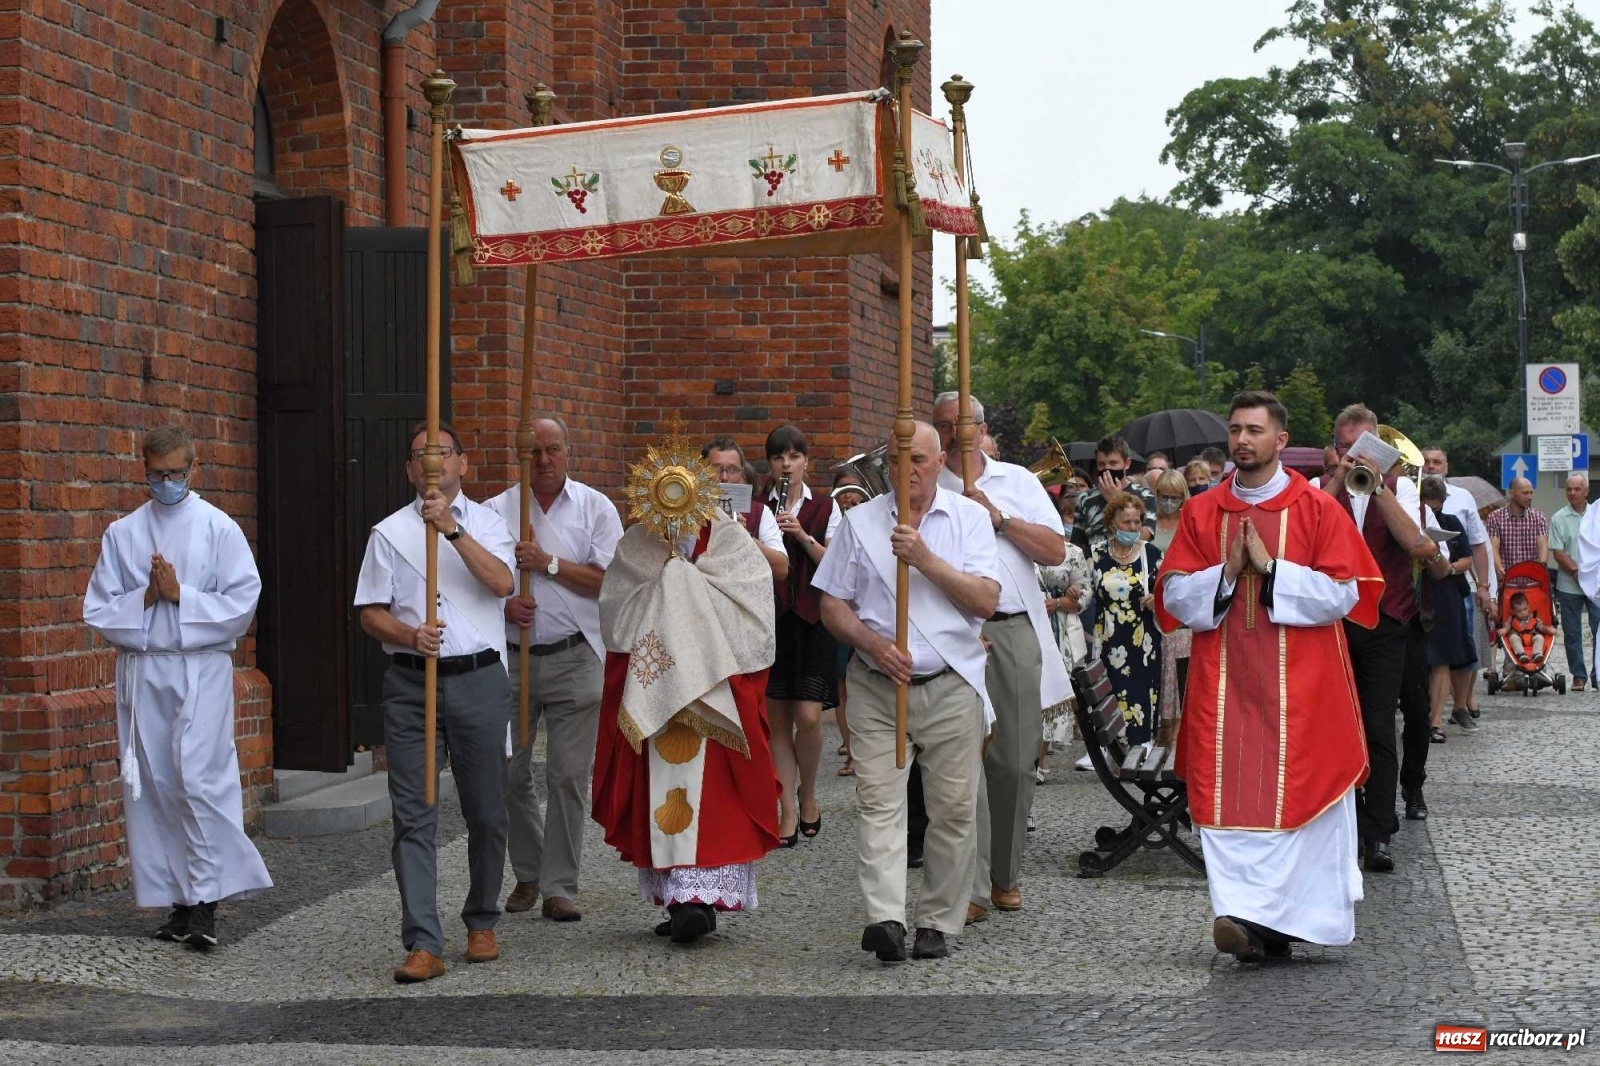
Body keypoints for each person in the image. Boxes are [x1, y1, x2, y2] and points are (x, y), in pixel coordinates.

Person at [1156, 391, 1381, 962]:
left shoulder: (1315, 509)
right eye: (1235, 430)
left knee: (1304, 799)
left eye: (1254, 430)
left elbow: (1344, 592)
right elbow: (1175, 595)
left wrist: (1275, 569)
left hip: (1302, 689)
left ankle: (1283, 923)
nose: (1242, 441)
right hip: (1225, 689)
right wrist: (1226, 573)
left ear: (1279, 440)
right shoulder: (1204, 511)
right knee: (1225, 797)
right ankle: (1240, 916)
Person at [814, 421, 1001, 963]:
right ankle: (886, 919)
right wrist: (870, 642)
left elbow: (985, 601)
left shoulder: (967, 518)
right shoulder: (860, 522)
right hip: (877, 685)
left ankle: (937, 921)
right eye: (898, 458)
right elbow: (832, 603)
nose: (909, 469)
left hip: (950, 684)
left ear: (941, 459)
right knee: (878, 803)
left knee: (953, 810)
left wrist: (925, 560)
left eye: (919, 458)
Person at [82, 424, 272, 951]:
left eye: (176, 473)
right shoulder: (123, 533)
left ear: (195, 469)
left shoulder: (218, 529)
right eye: (156, 474)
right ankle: (179, 902)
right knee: (157, 786)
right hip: (144, 671)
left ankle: (208, 901)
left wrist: (180, 594)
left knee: (200, 781)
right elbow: (98, 607)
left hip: (198, 668)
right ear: (143, 470)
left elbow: (242, 603)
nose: (167, 482)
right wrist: (145, 598)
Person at [354, 422, 517, 982]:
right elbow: (370, 611)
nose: (432, 464)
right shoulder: (389, 533)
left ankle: (481, 919)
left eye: (442, 454)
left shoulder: (491, 524)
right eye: (421, 455)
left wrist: (451, 530)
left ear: (462, 464)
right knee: (414, 813)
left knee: (487, 810)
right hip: (411, 684)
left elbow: (501, 584)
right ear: (408, 469)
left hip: (478, 679)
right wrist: (406, 635)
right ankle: (424, 940)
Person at [591, 495, 781, 945]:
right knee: (663, 792)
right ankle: (681, 899)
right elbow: (618, 609)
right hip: (656, 692)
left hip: (717, 693)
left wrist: (685, 587)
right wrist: (671, 583)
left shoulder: (732, 542)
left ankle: (700, 899)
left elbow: (755, 611)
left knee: (716, 801)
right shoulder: (638, 544)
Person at [931, 392, 1071, 921]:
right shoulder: (926, 482)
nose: (953, 436)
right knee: (958, 760)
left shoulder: (1018, 480)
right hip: (951, 628)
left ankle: (1006, 873)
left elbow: (1056, 551)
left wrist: (1000, 518)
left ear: (983, 429)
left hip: (1011, 629)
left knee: (1012, 759)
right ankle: (967, 884)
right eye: (942, 426)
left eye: (962, 425)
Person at [484, 417, 623, 924]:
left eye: (553, 449)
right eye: (534, 452)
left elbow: (611, 581)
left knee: (566, 775)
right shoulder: (495, 512)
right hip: (511, 659)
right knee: (506, 769)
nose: (543, 460)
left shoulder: (595, 508)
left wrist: (548, 563)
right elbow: (476, 581)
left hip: (575, 656)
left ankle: (559, 885)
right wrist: (503, 608)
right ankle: (529, 870)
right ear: (519, 456)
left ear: (570, 451)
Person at [1322, 404, 1450, 860]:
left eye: (1364, 448)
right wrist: (1339, 478)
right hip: (1332, 624)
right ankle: (1343, 824)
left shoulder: (1404, 490)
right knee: (1336, 727)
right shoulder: (1324, 490)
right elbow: (1309, 532)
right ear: (1335, 449)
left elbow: (1415, 543)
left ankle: (1378, 832)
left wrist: (1378, 489)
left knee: (1379, 725)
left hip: (1387, 621)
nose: (1356, 457)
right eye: (1346, 448)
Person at [764, 425, 842, 845]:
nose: (786, 464)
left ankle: (808, 791)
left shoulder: (827, 507)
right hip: (772, 619)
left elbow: (836, 564)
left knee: (809, 717)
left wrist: (801, 535)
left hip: (812, 620)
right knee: (776, 718)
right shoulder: (759, 506)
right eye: (778, 458)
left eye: (794, 457)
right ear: (769, 464)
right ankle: (788, 810)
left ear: (806, 462)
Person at [1420, 447, 1492, 715]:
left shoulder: (1463, 498)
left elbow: (1477, 545)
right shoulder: (1409, 492)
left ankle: (1462, 702)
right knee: (1431, 652)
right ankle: (1432, 708)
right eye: (1426, 462)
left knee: (1464, 644)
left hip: (1456, 581)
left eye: (1436, 462)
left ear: (1447, 466)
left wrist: (1484, 586)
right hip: (1423, 585)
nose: (1431, 466)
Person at [1089, 493, 1163, 747]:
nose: (1133, 527)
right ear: (1112, 523)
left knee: (1140, 694)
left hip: (1142, 640)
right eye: (1127, 522)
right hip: (1108, 638)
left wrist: (1157, 600)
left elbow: (1169, 594)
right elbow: (1087, 594)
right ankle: (1108, 747)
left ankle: (1141, 745)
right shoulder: (1097, 554)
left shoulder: (1151, 554)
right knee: (1110, 691)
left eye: (1137, 522)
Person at [1418, 476, 1476, 742]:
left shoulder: (1451, 522)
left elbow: (1466, 557)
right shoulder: (1411, 518)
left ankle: (1436, 720)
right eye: (1428, 507)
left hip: (1447, 592)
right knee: (1421, 658)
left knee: (1442, 657)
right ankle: (1421, 715)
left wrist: (1450, 567)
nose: (1433, 512)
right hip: (1419, 590)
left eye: (1436, 508)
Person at [830, 468, 872, 777]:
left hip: (869, 618)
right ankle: (852, 752)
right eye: (842, 489)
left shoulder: (874, 523)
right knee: (843, 688)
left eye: (854, 489)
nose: (848, 495)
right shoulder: (835, 522)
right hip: (843, 617)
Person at [704, 437, 790, 581]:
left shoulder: (761, 512)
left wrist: (745, 536)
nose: (724, 477)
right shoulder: (687, 512)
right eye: (715, 469)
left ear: (741, 472)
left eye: (732, 470)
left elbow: (781, 570)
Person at [1151, 470, 1193, 730]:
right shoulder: (1146, 524)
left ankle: (1176, 730)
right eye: (1164, 496)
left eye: (1174, 497)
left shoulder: (1188, 522)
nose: (1168, 502)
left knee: (1179, 677)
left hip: (1179, 607)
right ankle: (1162, 731)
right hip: (1152, 604)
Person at [1547, 472, 1597, 691]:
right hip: (1569, 584)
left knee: (1598, 629)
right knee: (1572, 632)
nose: (1572, 493)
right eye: (1569, 489)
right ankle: (1578, 675)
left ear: (1586, 491)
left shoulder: (1596, 515)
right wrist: (1578, 573)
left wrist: (1588, 576)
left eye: (1577, 489)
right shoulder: (1559, 517)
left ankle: (1597, 674)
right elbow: (1558, 552)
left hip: (1595, 585)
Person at [1072, 435, 1155, 553]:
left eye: (1113, 463)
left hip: (1134, 564)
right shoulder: (1085, 499)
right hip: (1096, 565)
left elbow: (1144, 536)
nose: (1107, 469)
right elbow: (1077, 544)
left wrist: (1116, 500)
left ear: (1126, 463)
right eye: (1101, 464)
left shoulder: (1146, 496)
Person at [1487, 477, 1548, 577]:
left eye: (1531, 493)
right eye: (1525, 493)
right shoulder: (1495, 517)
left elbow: (1542, 545)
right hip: (1507, 580)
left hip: (1532, 581)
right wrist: (1499, 568)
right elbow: (1493, 546)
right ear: (1512, 493)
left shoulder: (1538, 517)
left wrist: (1541, 566)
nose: (1529, 497)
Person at [1504, 592, 1554, 663]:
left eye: (1525, 609)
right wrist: (1504, 630)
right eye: (1519, 611)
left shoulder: (1532, 617)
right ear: (1513, 611)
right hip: (1518, 637)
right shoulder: (1512, 619)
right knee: (1513, 638)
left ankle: (1536, 653)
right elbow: (1507, 627)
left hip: (1532, 637)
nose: (1523, 613)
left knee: (1539, 637)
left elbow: (1540, 626)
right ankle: (1521, 654)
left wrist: (1548, 629)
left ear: (1528, 607)